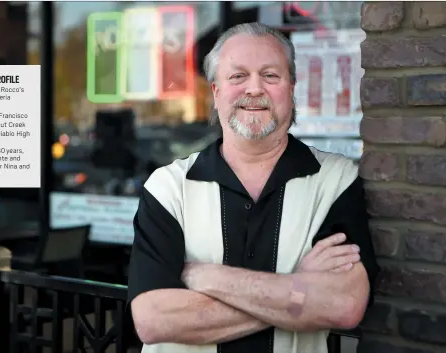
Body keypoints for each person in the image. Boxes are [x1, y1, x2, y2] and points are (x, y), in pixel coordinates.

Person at [127, 22, 380, 353]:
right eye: (237, 76)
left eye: (270, 75)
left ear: (291, 88)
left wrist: (207, 278)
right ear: (216, 92)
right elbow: (153, 320)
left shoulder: (336, 181)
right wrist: (297, 292)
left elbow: (343, 305)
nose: (254, 89)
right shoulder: (168, 187)